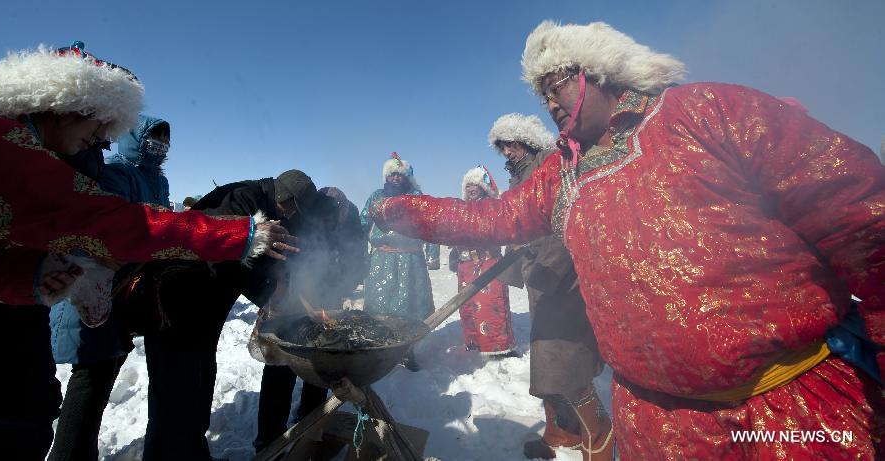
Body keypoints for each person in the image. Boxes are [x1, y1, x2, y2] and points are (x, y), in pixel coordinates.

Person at [370, 21, 885, 460]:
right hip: (658, 427)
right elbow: (489, 220)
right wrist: (398, 209)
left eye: (557, 85)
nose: (549, 102)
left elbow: (859, 213)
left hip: (788, 409)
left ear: (598, 74)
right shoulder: (562, 175)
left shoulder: (701, 111)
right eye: (541, 93)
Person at [0, 42, 290, 460]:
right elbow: (112, 222)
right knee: (48, 400)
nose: (100, 141)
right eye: (98, 129)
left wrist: (31, 273)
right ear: (64, 105)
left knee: (39, 404)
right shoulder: (9, 150)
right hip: (101, 290)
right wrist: (237, 235)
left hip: (108, 285)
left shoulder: (32, 150)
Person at [139, 170, 317, 461]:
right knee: (174, 395)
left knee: (200, 383)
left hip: (204, 309)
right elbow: (225, 260)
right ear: (284, 196)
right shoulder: (240, 199)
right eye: (294, 206)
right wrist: (270, 293)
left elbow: (268, 255)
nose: (293, 214)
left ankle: (194, 454)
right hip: (176, 302)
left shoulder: (269, 205)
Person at [48, 115, 172, 461]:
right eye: (153, 137)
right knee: (90, 378)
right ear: (137, 137)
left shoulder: (158, 182)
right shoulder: (118, 171)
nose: (159, 145)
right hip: (95, 288)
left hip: (126, 293)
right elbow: (111, 232)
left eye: (164, 139)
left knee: (103, 373)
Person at [489, 113, 612, 460]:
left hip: (563, 282)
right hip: (541, 280)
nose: (507, 154)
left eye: (511, 145)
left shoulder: (549, 163)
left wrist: (548, 271)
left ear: (526, 140)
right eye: (502, 149)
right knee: (547, 366)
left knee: (567, 365)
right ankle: (561, 433)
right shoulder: (520, 178)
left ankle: (599, 435)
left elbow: (565, 218)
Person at [252, 186, 367, 455]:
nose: (328, 225)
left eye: (333, 221)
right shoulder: (300, 223)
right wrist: (291, 292)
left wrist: (340, 288)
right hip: (289, 303)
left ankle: (311, 425)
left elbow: (353, 261)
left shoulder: (347, 221)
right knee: (279, 369)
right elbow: (282, 264)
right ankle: (269, 441)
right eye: (324, 220)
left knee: (319, 368)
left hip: (326, 300)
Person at [360, 153, 439, 370]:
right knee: (378, 304)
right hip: (381, 260)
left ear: (405, 178)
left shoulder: (416, 197)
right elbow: (363, 223)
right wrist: (359, 252)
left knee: (408, 306)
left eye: (399, 175)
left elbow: (430, 225)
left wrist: (433, 253)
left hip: (410, 260)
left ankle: (406, 351)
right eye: (392, 174)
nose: (395, 178)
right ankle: (377, 348)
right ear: (387, 176)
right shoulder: (376, 196)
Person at [448, 166, 517, 357]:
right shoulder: (462, 208)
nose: (471, 189)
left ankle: (499, 349)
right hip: (466, 266)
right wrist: (454, 254)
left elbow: (500, 231)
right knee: (468, 305)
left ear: (482, 187)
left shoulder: (494, 206)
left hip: (489, 263)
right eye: (468, 185)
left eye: (475, 185)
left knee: (491, 306)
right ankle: (474, 343)